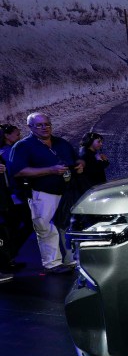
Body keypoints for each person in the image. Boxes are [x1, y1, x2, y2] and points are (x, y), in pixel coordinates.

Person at [8, 113, 84, 273]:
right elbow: (18, 171)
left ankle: (72, 260)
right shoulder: (23, 146)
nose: (44, 127)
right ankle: (52, 264)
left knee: (68, 227)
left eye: (47, 124)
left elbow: (77, 158)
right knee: (46, 228)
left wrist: (80, 164)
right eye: (39, 125)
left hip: (66, 193)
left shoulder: (61, 142)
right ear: (30, 127)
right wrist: (50, 170)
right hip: (42, 193)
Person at [0, 123, 29, 272]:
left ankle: (9, 257)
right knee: (14, 227)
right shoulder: (8, 151)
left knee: (12, 228)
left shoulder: (7, 150)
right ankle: (8, 256)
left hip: (11, 196)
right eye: (17, 134)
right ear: (7, 135)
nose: (20, 137)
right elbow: (15, 173)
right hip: (12, 196)